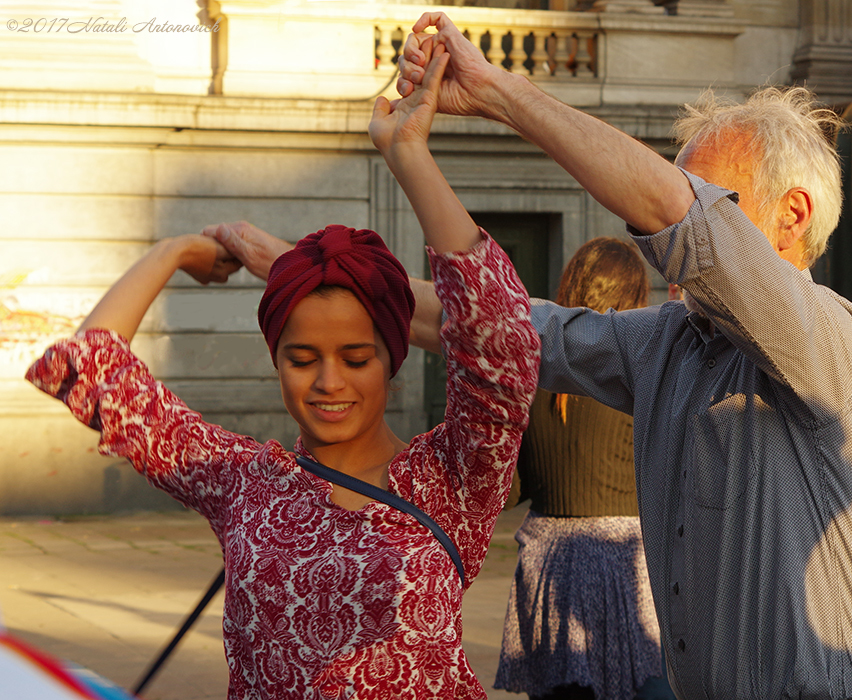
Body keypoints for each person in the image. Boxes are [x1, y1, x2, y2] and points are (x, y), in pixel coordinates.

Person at [396, 13, 852, 700]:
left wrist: (494, 91)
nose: (664, 243)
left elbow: (671, 215)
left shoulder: (835, 337)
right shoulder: (672, 339)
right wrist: (316, 279)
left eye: (712, 206)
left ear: (792, 216)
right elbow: (496, 324)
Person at [26, 48, 540, 699]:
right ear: (276, 360)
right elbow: (96, 368)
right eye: (302, 359)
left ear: (393, 358)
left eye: (356, 358)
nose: (329, 381)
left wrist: (409, 152)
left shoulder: (455, 475)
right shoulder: (242, 482)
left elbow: (502, 337)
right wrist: (173, 250)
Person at [495, 237, 672, 700]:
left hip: (551, 564)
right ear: (634, 300)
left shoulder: (531, 378)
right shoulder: (646, 377)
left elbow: (510, 490)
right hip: (629, 563)